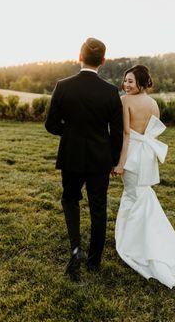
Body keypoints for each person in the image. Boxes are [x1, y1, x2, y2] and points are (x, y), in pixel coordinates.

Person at [114, 65, 175, 288]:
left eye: (130, 82)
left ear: (141, 84)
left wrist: (120, 163)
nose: (126, 85)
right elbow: (151, 132)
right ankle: (148, 241)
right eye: (125, 80)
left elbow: (127, 134)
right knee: (141, 197)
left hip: (133, 155)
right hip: (147, 156)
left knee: (133, 197)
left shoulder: (125, 101)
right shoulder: (154, 104)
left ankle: (137, 246)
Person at [45, 38, 123, 281]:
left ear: (79, 58)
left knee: (70, 199)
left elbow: (50, 125)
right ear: (103, 61)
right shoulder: (111, 91)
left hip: (71, 156)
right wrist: (113, 159)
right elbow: (117, 132)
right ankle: (94, 261)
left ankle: (76, 248)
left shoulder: (63, 86)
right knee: (98, 208)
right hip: (100, 159)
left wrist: (69, 133)